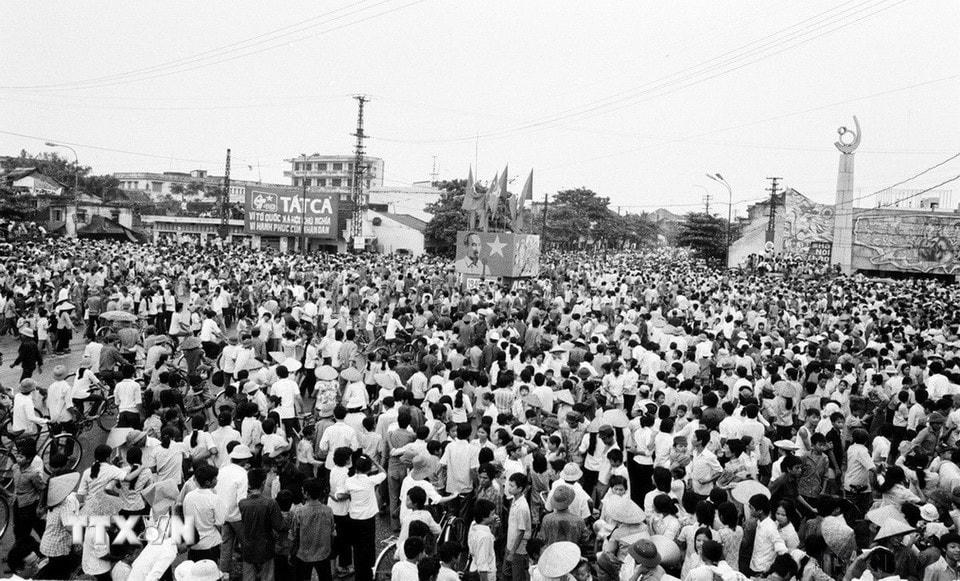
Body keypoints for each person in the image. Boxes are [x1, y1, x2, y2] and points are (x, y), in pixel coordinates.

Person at [341, 454, 387, 581]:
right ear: (368, 469)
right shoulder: (370, 480)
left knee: (357, 547)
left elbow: (344, 493)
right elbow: (384, 473)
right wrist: (375, 462)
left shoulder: (349, 481)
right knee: (368, 546)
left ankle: (358, 573)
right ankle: (368, 572)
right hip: (368, 518)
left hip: (354, 517)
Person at [238, 467, 287, 581]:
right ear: (263, 483)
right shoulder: (270, 503)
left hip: (248, 546)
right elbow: (279, 526)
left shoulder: (242, 503)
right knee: (267, 577)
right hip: (266, 547)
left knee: (249, 577)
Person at [291, 478, 335, 581]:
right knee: (325, 576)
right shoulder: (328, 510)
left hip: (304, 554)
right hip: (323, 553)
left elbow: (293, 534)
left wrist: (292, 550)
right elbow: (332, 531)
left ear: (306, 494)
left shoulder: (299, 512)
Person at [505, 472, 533, 581]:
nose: (509, 488)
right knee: (507, 573)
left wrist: (512, 552)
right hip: (511, 545)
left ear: (520, 488)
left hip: (518, 550)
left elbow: (521, 531)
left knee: (517, 576)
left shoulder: (522, 507)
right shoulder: (514, 499)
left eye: (512, 486)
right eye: (509, 485)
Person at [468, 499, 498, 581]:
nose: (495, 516)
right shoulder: (485, 537)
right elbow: (483, 567)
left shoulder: (473, 525)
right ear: (484, 517)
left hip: (474, 567)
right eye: (492, 514)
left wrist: (493, 527)